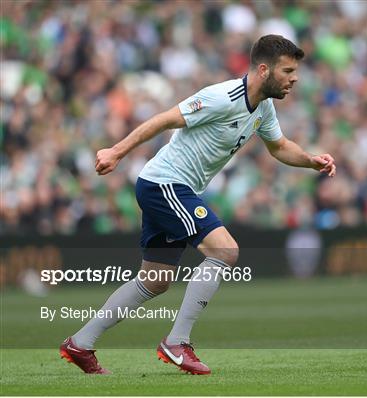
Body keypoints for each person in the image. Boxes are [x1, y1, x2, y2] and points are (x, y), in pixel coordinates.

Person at [59, 35, 336, 375]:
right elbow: (164, 119)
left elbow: (278, 146)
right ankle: (177, 342)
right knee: (225, 251)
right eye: (288, 71)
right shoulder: (222, 97)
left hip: (171, 187)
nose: (294, 78)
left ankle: (80, 344)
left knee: (155, 280)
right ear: (264, 70)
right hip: (165, 184)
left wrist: (311, 161)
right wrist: (116, 151)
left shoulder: (263, 107)